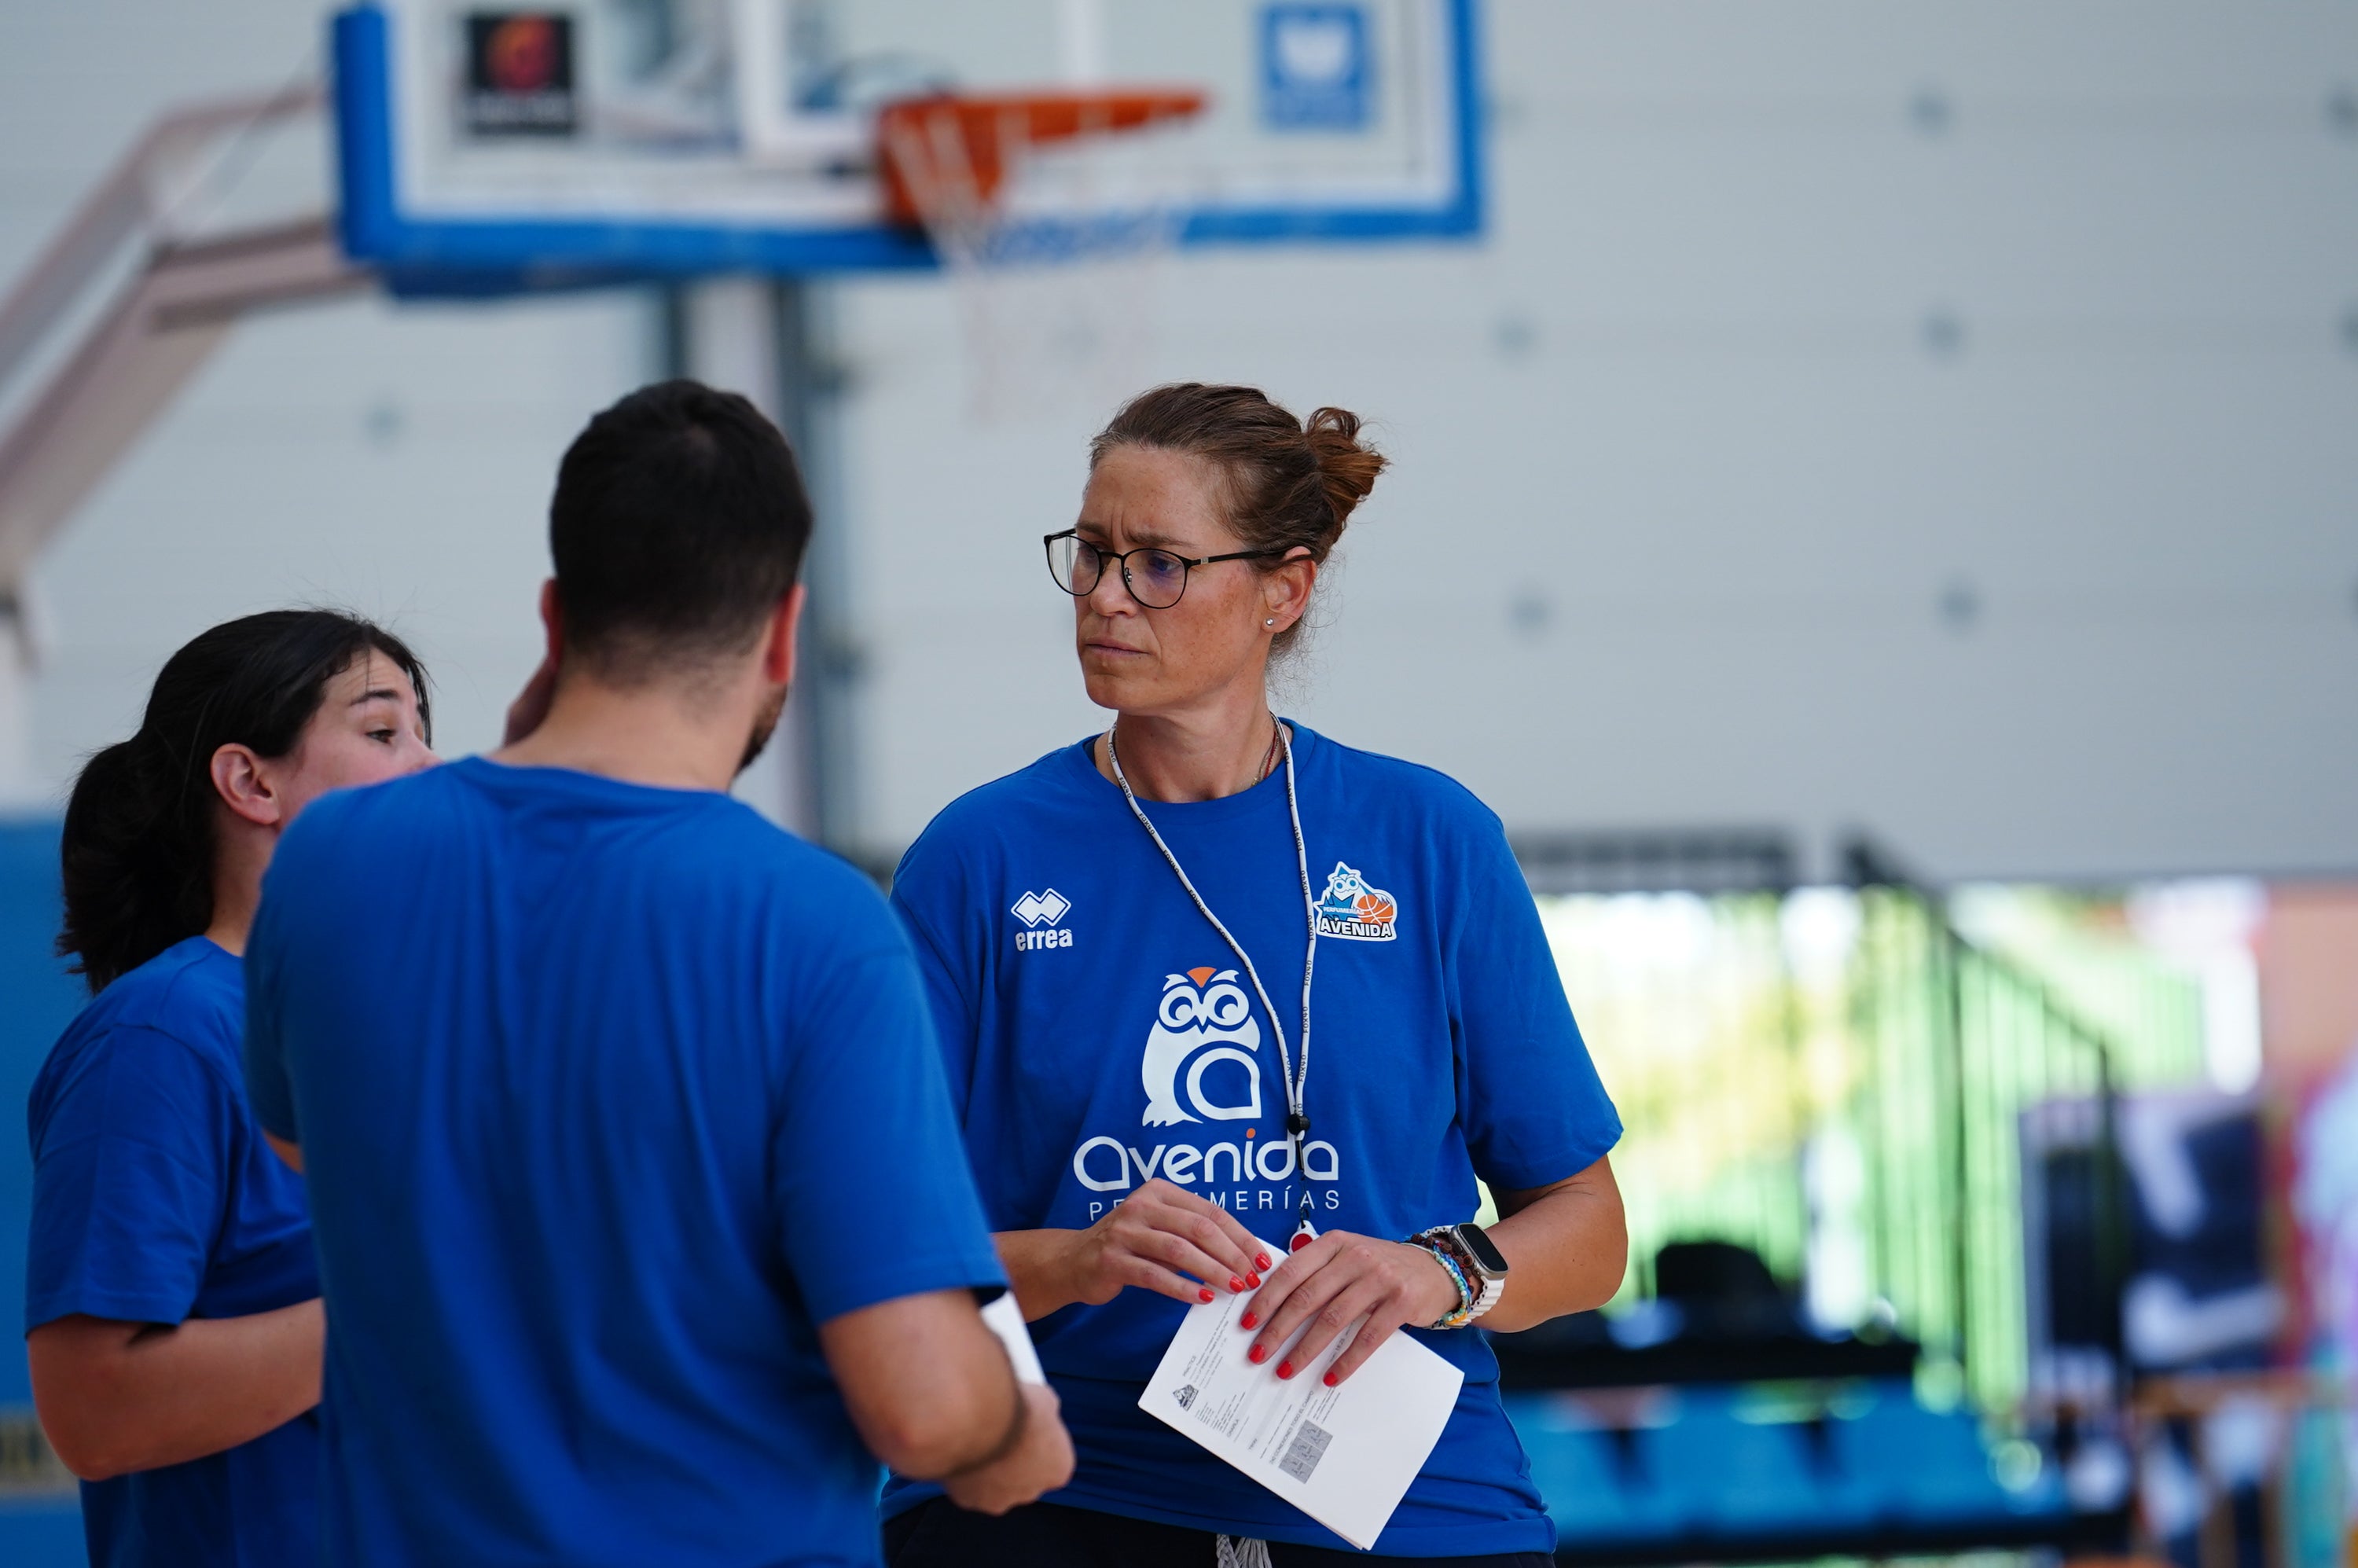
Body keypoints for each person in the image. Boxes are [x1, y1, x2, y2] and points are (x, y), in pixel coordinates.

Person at [240, 380, 1073, 1567]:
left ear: (552, 613)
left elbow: (308, 1143)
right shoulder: (819, 928)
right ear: (783, 632)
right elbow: (922, 1405)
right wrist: (1013, 1429)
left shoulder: (326, 863)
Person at [883, 383, 1629, 1566]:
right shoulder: (980, 858)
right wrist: (1078, 1256)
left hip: (1409, 1505)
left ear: (1284, 589)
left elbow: (1590, 1229)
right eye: (1091, 553)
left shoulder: (1428, 836)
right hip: (1081, 1493)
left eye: (1161, 563)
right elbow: (889, 1251)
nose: (1106, 595)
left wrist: (1433, 1269)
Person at [25, 609, 435, 1567]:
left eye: (426, 732)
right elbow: (94, 1411)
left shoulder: (406, 1037)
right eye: (384, 732)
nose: (429, 767)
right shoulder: (161, 1034)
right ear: (251, 781)